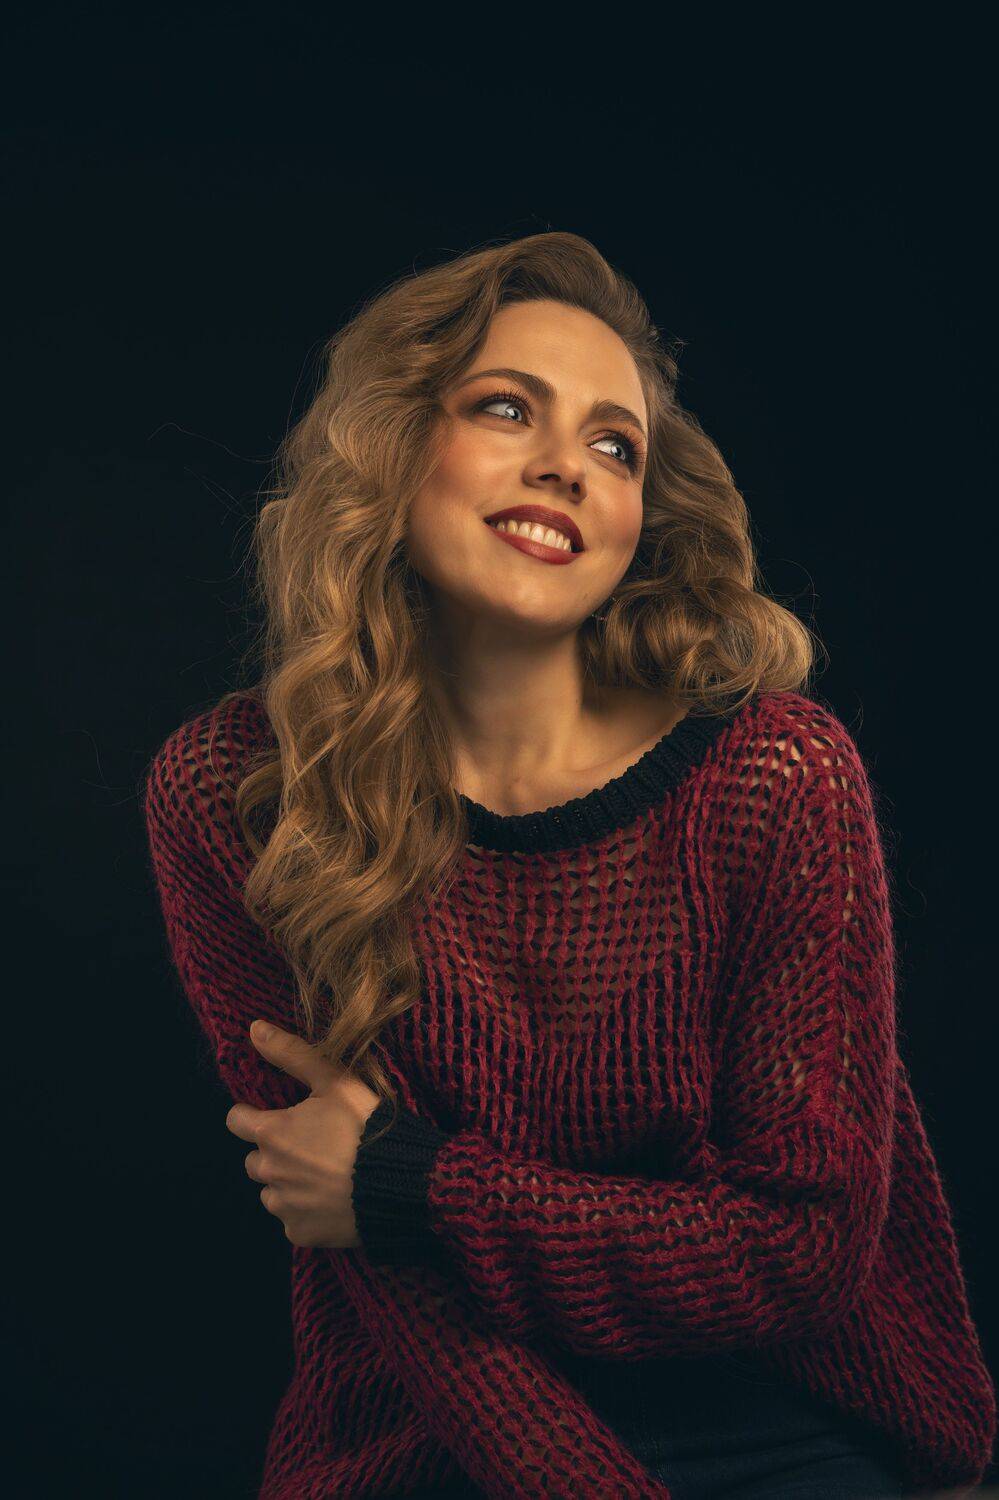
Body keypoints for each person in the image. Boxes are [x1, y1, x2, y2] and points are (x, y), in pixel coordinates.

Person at [143, 231, 994, 1498]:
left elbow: (800, 1246)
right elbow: (370, 1261)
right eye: (506, 408)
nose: (567, 465)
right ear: (390, 445)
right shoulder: (241, 796)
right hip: (431, 1425)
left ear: (643, 517)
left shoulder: (773, 777)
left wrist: (417, 1186)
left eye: (615, 445)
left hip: (778, 1419)